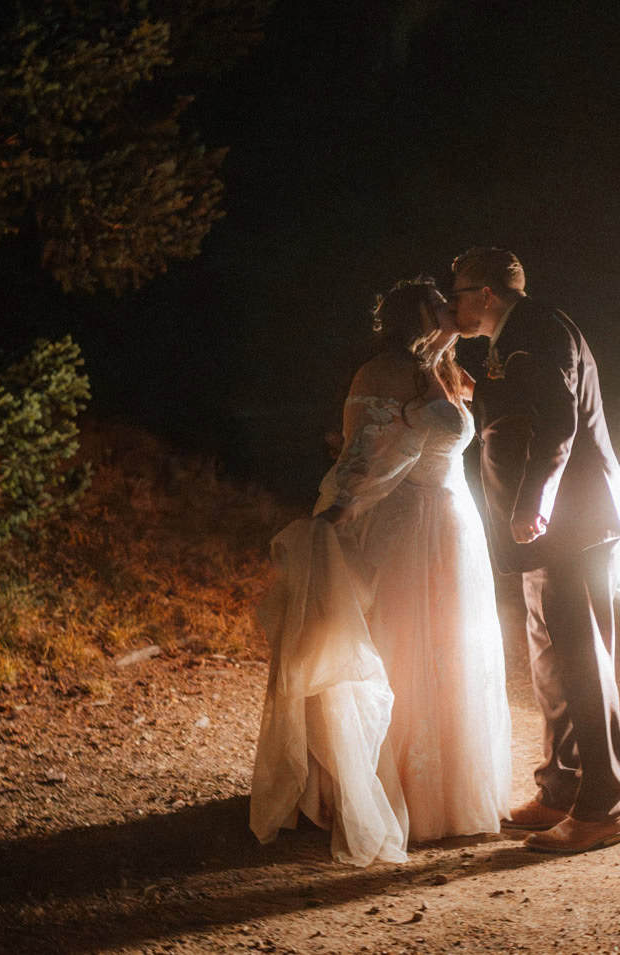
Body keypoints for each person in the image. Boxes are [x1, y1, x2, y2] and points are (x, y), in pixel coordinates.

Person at [249, 278, 512, 865]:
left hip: (455, 525)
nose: (454, 311)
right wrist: (336, 511)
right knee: (405, 647)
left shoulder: (446, 368)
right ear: (420, 315)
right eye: (443, 305)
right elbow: (363, 449)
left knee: (453, 651)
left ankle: (449, 793)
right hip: (409, 527)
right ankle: (392, 789)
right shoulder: (382, 372)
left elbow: (482, 413)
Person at [449, 247, 620, 854]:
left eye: (458, 293)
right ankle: (559, 788)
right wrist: (473, 388)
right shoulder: (528, 332)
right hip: (556, 526)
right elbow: (522, 406)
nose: (454, 304)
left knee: (581, 659)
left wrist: (534, 501)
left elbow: (558, 421)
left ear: (484, 294)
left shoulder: (532, 331)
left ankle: (601, 809)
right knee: (552, 659)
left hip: (572, 522)